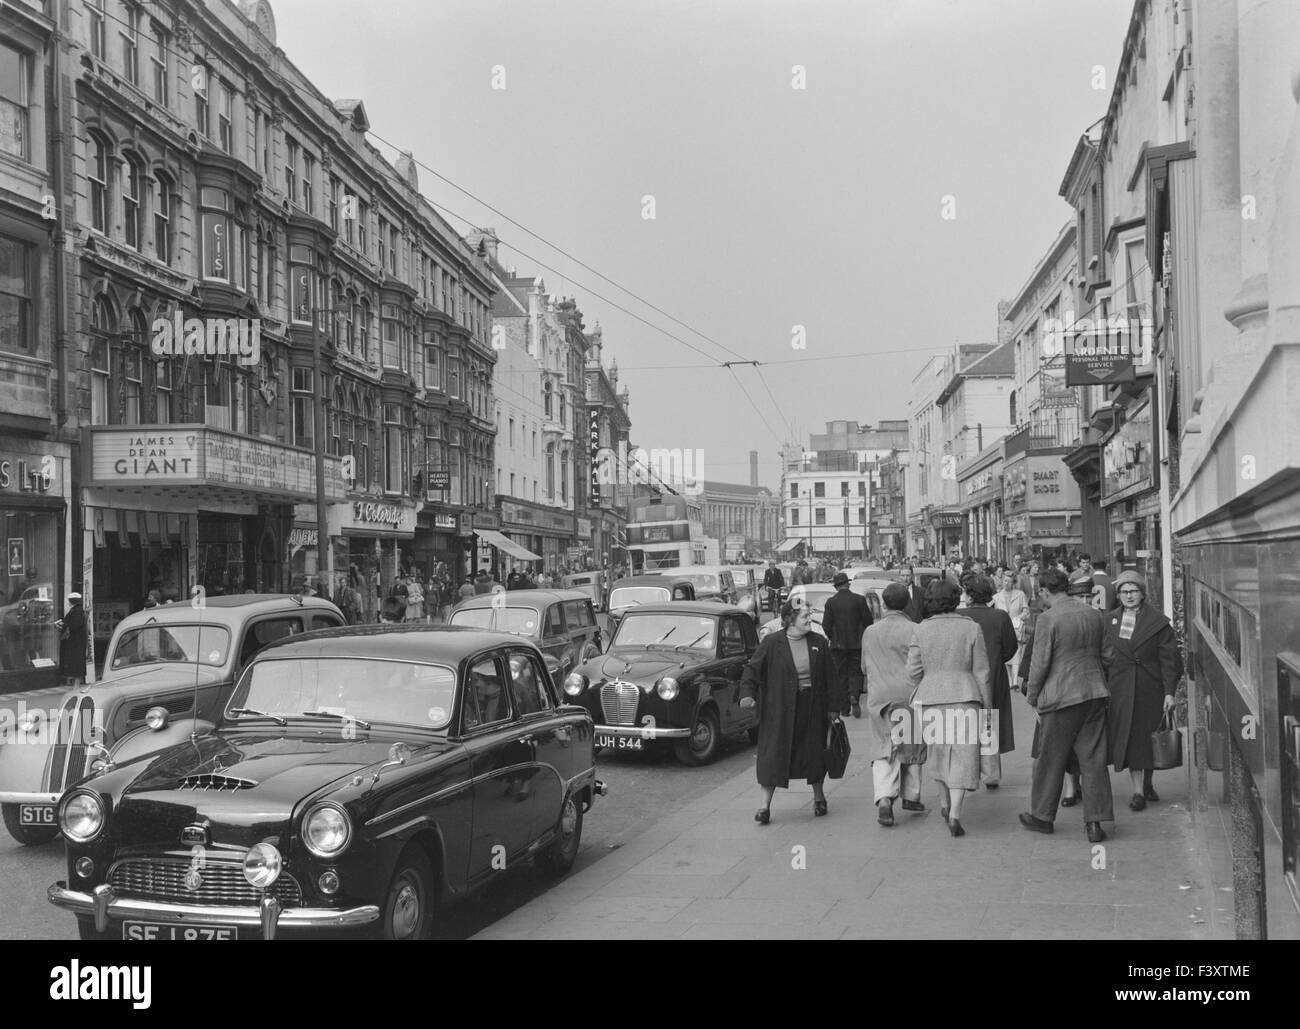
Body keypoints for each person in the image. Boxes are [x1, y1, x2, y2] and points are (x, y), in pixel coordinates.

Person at [1019, 568, 1113, 844]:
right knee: (1093, 759)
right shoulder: (1094, 615)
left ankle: (1042, 816)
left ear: (1046, 592)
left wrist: (1032, 696)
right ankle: (1095, 823)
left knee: (1050, 759)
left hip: (1060, 697)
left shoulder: (1048, 619)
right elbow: (1108, 656)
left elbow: (1039, 664)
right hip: (1094, 692)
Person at [739, 601, 844, 824]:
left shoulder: (819, 642)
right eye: (805, 616)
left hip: (813, 707)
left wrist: (834, 708)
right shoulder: (771, 643)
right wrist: (746, 694)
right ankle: (764, 806)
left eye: (809, 615)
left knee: (815, 754)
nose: (809, 619)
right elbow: (751, 670)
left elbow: (831, 677)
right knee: (772, 756)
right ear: (790, 619)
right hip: (779, 708)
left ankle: (819, 797)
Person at [905, 578, 991, 838]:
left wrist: (924, 684)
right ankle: (954, 813)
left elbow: (912, 671)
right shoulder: (972, 628)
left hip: (931, 697)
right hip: (966, 695)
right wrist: (987, 707)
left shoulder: (921, 630)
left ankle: (943, 803)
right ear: (956, 599)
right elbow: (982, 672)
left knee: (939, 753)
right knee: (964, 756)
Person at [1102, 570, 1181, 812]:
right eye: (1124, 592)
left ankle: (1147, 783)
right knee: (1133, 740)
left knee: (1150, 738)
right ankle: (1138, 791)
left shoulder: (1159, 623)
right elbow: (1103, 655)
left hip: (1150, 688)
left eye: (1133, 591)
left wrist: (1169, 692)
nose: (1129, 595)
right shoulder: (1109, 621)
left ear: (1142, 593)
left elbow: (1170, 660)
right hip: (1120, 689)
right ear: (1118, 595)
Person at [861, 583, 926, 826]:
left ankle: (885, 798)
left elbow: (863, 666)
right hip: (908, 694)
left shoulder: (870, 631)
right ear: (907, 603)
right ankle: (911, 795)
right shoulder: (916, 629)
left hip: (879, 697)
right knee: (911, 745)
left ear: (884, 604)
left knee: (883, 746)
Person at [957, 573, 1018, 790]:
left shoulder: (958, 616)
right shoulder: (1000, 616)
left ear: (969, 594)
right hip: (994, 676)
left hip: (964, 677)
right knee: (989, 722)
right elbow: (1011, 649)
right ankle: (991, 773)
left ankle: (966, 772)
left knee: (964, 725)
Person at [822, 571, 873, 717]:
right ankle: (854, 695)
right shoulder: (859, 600)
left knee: (840, 675)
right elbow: (868, 622)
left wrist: (834, 637)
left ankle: (844, 707)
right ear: (848, 584)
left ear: (836, 587)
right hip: (857, 644)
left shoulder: (831, 602)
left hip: (838, 646)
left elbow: (826, 625)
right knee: (856, 672)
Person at [57, 592, 88, 686]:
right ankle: (76, 685)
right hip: (77, 642)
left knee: (75, 664)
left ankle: (76, 685)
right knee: (76, 664)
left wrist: (63, 625)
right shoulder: (78, 611)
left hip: (75, 643)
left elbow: (74, 626)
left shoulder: (76, 612)